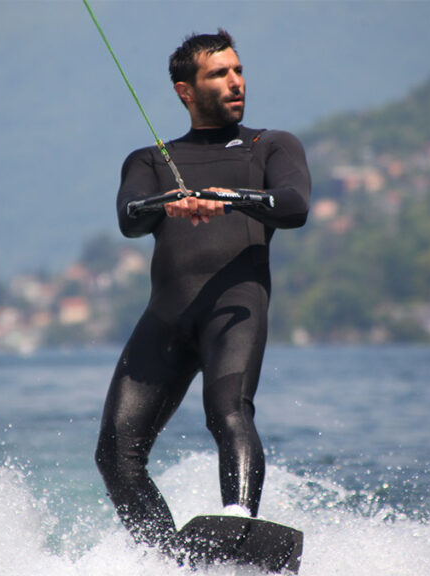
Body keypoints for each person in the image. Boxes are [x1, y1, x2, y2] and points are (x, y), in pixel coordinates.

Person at [95, 29, 311, 552]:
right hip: (166, 318)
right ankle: (169, 559)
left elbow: (294, 205)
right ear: (184, 90)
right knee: (116, 453)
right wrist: (168, 202)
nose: (235, 82)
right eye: (219, 73)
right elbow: (128, 217)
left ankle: (237, 528)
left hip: (233, 308)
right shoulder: (149, 160)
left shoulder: (271, 146)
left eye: (238, 70)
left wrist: (231, 198)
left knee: (229, 412)